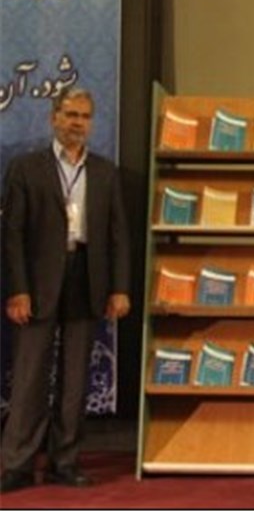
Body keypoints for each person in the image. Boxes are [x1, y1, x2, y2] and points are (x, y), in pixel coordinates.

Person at [0, 87, 131, 493]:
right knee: (30, 378)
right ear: (54, 117)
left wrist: (119, 288)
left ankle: (65, 461)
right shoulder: (26, 168)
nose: (78, 123)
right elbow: (12, 235)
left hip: (86, 278)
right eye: (71, 115)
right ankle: (17, 464)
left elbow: (118, 236)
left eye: (85, 117)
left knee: (75, 380)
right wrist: (18, 290)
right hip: (38, 283)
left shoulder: (106, 172)